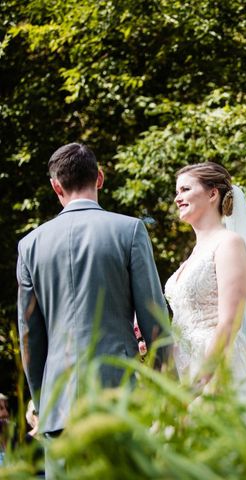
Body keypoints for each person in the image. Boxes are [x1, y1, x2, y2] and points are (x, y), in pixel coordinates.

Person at [16, 143, 169, 441]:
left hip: (58, 407)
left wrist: (45, 398)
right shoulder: (130, 231)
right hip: (120, 398)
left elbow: (29, 339)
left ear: (55, 186)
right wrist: (164, 392)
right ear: (99, 178)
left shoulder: (29, 245)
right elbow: (154, 320)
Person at [164, 162, 246, 431]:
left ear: (212, 194)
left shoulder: (229, 243)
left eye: (185, 189)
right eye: (177, 191)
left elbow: (229, 323)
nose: (177, 198)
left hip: (216, 370)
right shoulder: (193, 255)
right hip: (182, 367)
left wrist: (198, 385)